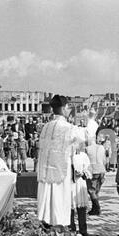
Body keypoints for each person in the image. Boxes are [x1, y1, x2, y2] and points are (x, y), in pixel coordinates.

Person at [37, 95, 85, 226]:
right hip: (61, 172)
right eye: (68, 107)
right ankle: (59, 227)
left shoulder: (45, 127)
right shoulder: (69, 128)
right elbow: (85, 137)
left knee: (47, 203)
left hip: (46, 172)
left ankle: (45, 224)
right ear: (64, 108)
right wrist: (91, 119)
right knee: (59, 201)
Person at [69, 142, 91, 236]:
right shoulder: (68, 156)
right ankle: (71, 229)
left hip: (80, 182)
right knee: (71, 207)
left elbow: (88, 168)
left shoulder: (84, 156)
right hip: (70, 183)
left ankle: (83, 229)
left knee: (82, 207)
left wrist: (83, 172)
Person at [86, 134, 106, 216]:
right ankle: (94, 208)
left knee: (91, 190)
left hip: (93, 170)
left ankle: (97, 208)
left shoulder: (87, 149)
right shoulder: (101, 147)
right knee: (97, 190)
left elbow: (85, 161)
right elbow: (105, 160)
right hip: (101, 170)